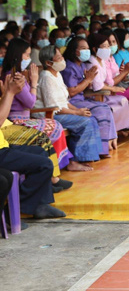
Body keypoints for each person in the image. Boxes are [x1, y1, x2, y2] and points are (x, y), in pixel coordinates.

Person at [1, 38, 75, 176]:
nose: (29, 59)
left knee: (54, 125)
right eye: (27, 55)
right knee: (52, 127)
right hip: (17, 120)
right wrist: (34, 82)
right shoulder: (13, 76)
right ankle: (54, 172)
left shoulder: (18, 74)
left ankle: (55, 171)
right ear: (17, 55)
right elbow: (30, 103)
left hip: (24, 118)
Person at [0, 72, 66, 219]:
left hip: (3, 145)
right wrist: (10, 93)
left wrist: (7, 92)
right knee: (44, 164)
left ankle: (41, 205)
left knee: (40, 152)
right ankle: (12, 212)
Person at [36, 45, 103, 168]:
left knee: (91, 118)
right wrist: (77, 113)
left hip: (61, 112)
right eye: (59, 58)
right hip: (49, 115)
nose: (62, 60)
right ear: (48, 62)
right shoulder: (46, 77)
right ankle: (75, 161)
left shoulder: (57, 74)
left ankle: (89, 156)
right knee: (85, 122)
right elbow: (54, 107)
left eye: (61, 56)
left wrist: (78, 110)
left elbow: (64, 101)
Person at [62, 37, 118, 156]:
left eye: (87, 48)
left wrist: (89, 81)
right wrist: (87, 80)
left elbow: (84, 85)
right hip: (71, 102)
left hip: (82, 99)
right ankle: (102, 149)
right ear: (74, 51)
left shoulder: (81, 65)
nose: (86, 51)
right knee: (101, 110)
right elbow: (71, 92)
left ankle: (110, 141)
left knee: (105, 107)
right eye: (83, 48)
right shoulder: (69, 66)